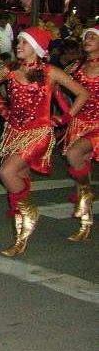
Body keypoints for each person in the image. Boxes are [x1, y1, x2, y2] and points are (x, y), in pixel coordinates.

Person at [0, 27, 88, 257]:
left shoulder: (51, 72)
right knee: (19, 179)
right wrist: (2, 108)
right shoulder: (10, 69)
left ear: (37, 48)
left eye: (24, 42)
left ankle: (29, 211)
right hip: (13, 133)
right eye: (18, 41)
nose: (18, 45)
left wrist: (65, 118)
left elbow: (82, 94)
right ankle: (20, 237)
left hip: (38, 134)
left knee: (7, 172)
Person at [60, 26, 98, 241]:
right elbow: (55, 86)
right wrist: (66, 111)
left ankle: (86, 194)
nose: (88, 39)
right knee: (80, 169)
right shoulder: (76, 66)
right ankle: (86, 223)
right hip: (80, 124)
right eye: (86, 36)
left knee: (73, 154)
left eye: (93, 36)